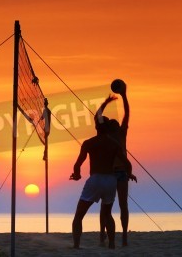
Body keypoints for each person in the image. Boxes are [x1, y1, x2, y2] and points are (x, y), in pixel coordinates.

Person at [70, 119, 133, 249]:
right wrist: (129, 174)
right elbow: (127, 164)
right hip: (111, 180)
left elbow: (78, 164)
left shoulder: (89, 143)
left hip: (96, 178)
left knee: (79, 215)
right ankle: (111, 244)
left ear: (96, 127)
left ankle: (76, 245)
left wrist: (77, 176)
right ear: (108, 129)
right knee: (107, 214)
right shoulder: (114, 144)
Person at [96, 83, 137, 246]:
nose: (115, 122)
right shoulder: (105, 133)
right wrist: (107, 102)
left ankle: (123, 237)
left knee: (120, 205)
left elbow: (127, 113)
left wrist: (123, 95)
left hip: (119, 172)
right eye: (112, 122)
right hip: (109, 173)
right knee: (108, 207)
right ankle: (102, 234)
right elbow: (98, 116)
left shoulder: (120, 133)